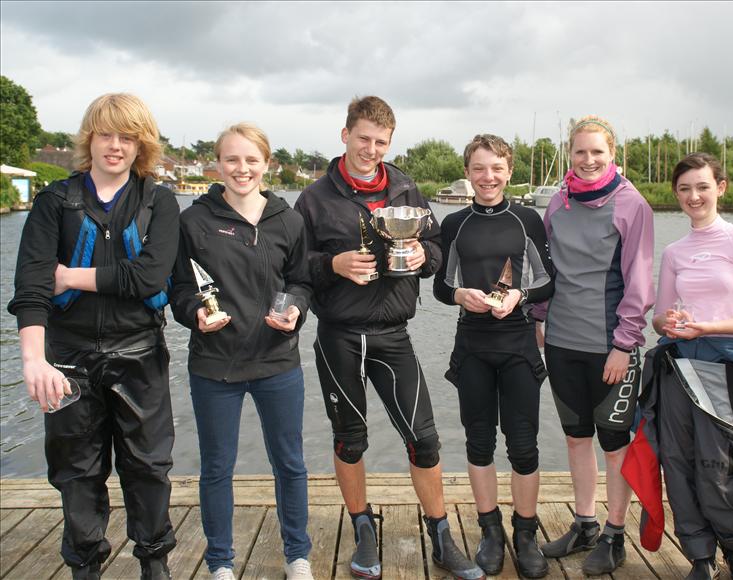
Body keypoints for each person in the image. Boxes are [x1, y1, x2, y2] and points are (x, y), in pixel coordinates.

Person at [294, 96, 484, 580]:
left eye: (381, 142)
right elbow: (293, 268)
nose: (371, 149)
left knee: (425, 441)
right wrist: (333, 265)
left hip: (392, 335)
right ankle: (362, 526)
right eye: (363, 139)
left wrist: (425, 256)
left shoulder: (405, 188)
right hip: (338, 336)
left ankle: (440, 533)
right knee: (350, 440)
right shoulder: (314, 199)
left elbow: (438, 246)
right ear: (345, 135)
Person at [7, 93, 178, 580]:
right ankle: (85, 565)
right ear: (90, 138)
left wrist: (72, 276)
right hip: (69, 358)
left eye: (128, 137)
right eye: (107, 134)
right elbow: (32, 285)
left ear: (141, 145)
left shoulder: (158, 202)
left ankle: (154, 562)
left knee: (147, 467)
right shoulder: (54, 202)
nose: (116, 146)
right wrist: (34, 360)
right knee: (76, 470)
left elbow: (147, 278)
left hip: (140, 354)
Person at [169, 124, 314, 580]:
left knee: (290, 463)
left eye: (251, 160)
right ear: (218, 164)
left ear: (266, 164)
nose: (242, 169)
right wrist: (196, 313)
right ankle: (220, 562)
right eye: (232, 160)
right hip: (216, 365)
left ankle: (297, 555)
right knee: (217, 467)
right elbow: (178, 288)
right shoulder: (193, 221)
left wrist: (293, 311)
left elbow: (301, 283)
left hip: (277, 362)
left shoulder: (288, 221)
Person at [649, 153, 733, 580]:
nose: (694, 196)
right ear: (676, 194)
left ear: (720, 188)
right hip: (679, 366)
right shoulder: (674, 252)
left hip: (725, 365)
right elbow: (660, 317)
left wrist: (710, 327)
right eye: (685, 188)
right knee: (677, 460)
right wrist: (667, 322)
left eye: (702, 186)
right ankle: (700, 556)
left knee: (718, 462)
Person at [533, 115, 655, 575]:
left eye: (597, 152)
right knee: (576, 438)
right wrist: (539, 319)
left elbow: (640, 283)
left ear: (612, 156)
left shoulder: (631, 204)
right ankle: (584, 523)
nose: (588, 160)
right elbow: (548, 269)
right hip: (561, 340)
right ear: (570, 155)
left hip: (610, 345)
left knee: (614, 443)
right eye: (580, 152)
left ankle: (614, 533)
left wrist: (625, 344)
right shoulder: (558, 203)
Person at [432, 135, 555, 578]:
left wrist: (520, 294)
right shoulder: (454, 224)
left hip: (519, 344)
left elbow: (548, 282)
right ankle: (489, 529)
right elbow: (441, 286)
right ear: (468, 172)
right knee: (479, 443)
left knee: (523, 447)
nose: (488, 177)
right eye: (479, 168)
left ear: (509, 171)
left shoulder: (527, 219)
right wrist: (461, 294)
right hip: (474, 347)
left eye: (496, 168)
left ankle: (525, 533)